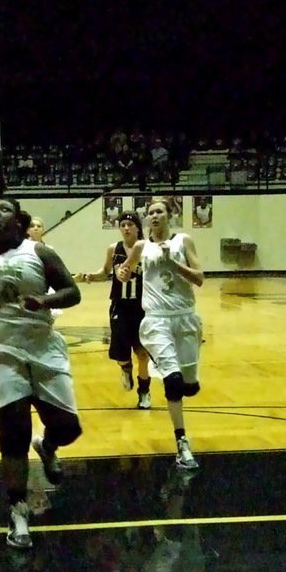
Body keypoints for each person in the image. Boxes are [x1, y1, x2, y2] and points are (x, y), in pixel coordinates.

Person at [0, 198, 83, 550]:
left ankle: (49, 445)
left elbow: (74, 293)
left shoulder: (39, 252)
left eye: (2, 209)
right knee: (14, 428)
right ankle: (18, 510)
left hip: (43, 347)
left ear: (18, 220)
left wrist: (46, 301)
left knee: (68, 428)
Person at [116, 198, 205, 467]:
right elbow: (126, 269)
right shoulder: (141, 246)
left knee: (189, 385)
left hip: (185, 318)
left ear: (170, 215)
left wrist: (172, 264)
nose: (154, 216)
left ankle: (188, 382)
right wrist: (123, 272)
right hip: (156, 321)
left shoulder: (184, 241)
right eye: (150, 212)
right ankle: (182, 443)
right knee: (173, 381)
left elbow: (200, 278)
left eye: (159, 211)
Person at [76, 211, 152, 409]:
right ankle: (125, 368)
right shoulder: (114, 249)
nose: (126, 228)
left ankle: (144, 392)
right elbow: (105, 272)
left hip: (143, 306)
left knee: (142, 353)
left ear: (137, 227)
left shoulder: (147, 248)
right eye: (123, 225)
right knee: (120, 353)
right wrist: (89, 277)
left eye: (130, 224)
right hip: (120, 305)